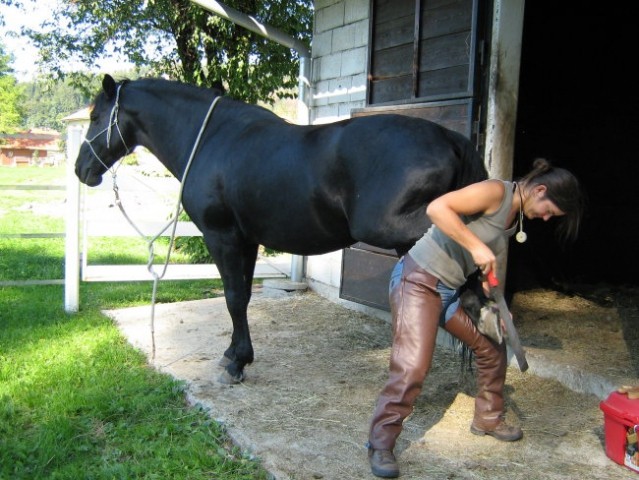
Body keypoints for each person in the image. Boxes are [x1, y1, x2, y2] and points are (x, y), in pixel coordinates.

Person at [367, 158, 584, 478]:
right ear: (539, 190)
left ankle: (488, 417)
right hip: (418, 282)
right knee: (412, 366)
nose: (547, 217)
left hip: (449, 290)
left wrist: (491, 296)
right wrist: (476, 247)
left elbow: (479, 257)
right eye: (551, 210)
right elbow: (438, 209)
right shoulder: (495, 192)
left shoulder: (514, 215)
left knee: (491, 345)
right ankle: (380, 443)